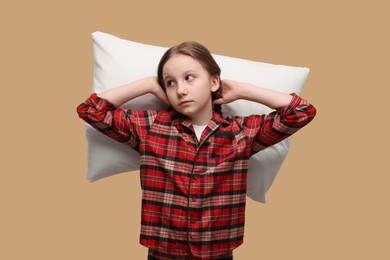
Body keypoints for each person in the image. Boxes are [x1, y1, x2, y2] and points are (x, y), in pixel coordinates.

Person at [77, 41, 317, 260]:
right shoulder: (151, 127)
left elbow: (301, 112)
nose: (180, 90)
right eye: (170, 82)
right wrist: (148, 84)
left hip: (217, 253)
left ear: (213, 82)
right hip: (162, 253)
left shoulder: (240, 133)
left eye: (189, 78)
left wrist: (243, 90)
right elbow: (91, 110)